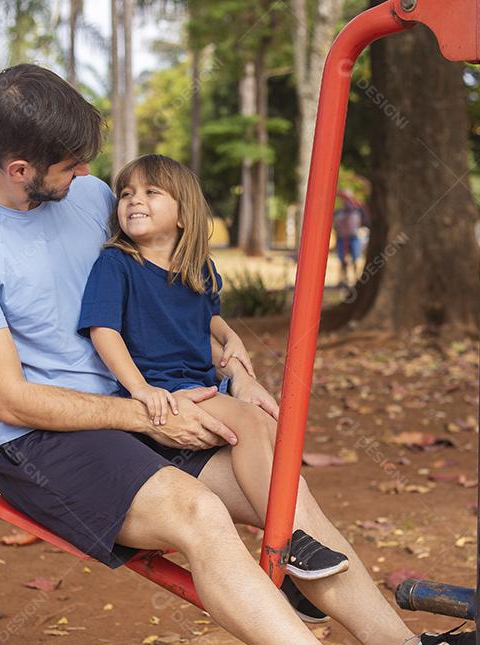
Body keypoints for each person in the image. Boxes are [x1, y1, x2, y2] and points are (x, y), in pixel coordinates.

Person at [0, 64, 475, 645]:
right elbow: (9, 400)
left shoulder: (92, 199)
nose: (83, 179)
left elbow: (164, 295)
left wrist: (230, 355)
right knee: (199, 515)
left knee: (285, 494)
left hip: (145, 412)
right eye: (68, 167)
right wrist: (150, 411)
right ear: (18, 168)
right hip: (43, 442)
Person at [80, 153, 349, 582]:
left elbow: (204, 320)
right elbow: (103, 330)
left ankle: (289, 572)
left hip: (202, 384)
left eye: (152, 192)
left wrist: (230, 337)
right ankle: (288, 542)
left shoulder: (197, 268)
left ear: (184, 214)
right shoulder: (117, 264)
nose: (134, 200)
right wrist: (140, 389)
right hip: (166, 393)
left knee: (268, 422)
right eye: (127, 193)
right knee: (246, 418)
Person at [333, 189, 367, 290]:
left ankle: (357, 279)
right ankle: (343, 280)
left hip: (353, 238)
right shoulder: (339, 212)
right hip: (341, 238)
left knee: (356, 259)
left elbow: (365, 220)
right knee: (342, 260)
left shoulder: (357, 211)